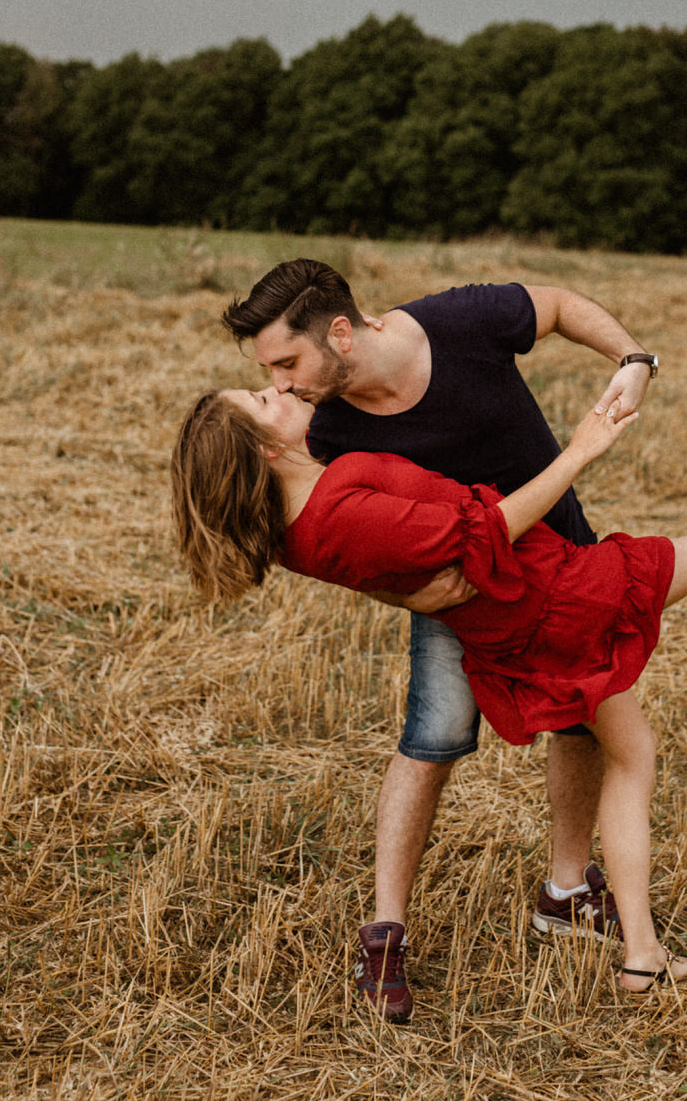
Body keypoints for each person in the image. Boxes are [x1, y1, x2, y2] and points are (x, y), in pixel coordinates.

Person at [171, 382, 687, 1015]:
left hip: (516, 616)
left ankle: (640, 952)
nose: (279, 388)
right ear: (265, 451)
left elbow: (400, 562)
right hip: (545, 598)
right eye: (262, 399)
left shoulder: (298, 529)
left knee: (633, 743)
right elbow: (484, 532)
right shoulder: (337, 510)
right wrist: (581, 449)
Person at [220, 259, 659, 1020]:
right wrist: (407, 594)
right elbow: (336, 541)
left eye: (287, 363)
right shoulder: (322, 429)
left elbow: (556, 305)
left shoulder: (455, 323)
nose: (282, 385)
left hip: (558, 556)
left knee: (583, 721)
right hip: (457, 598)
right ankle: (384, 936)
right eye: (270, 375)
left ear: (339, 332)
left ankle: (564, 892)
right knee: (434, 737)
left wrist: (633, 358)